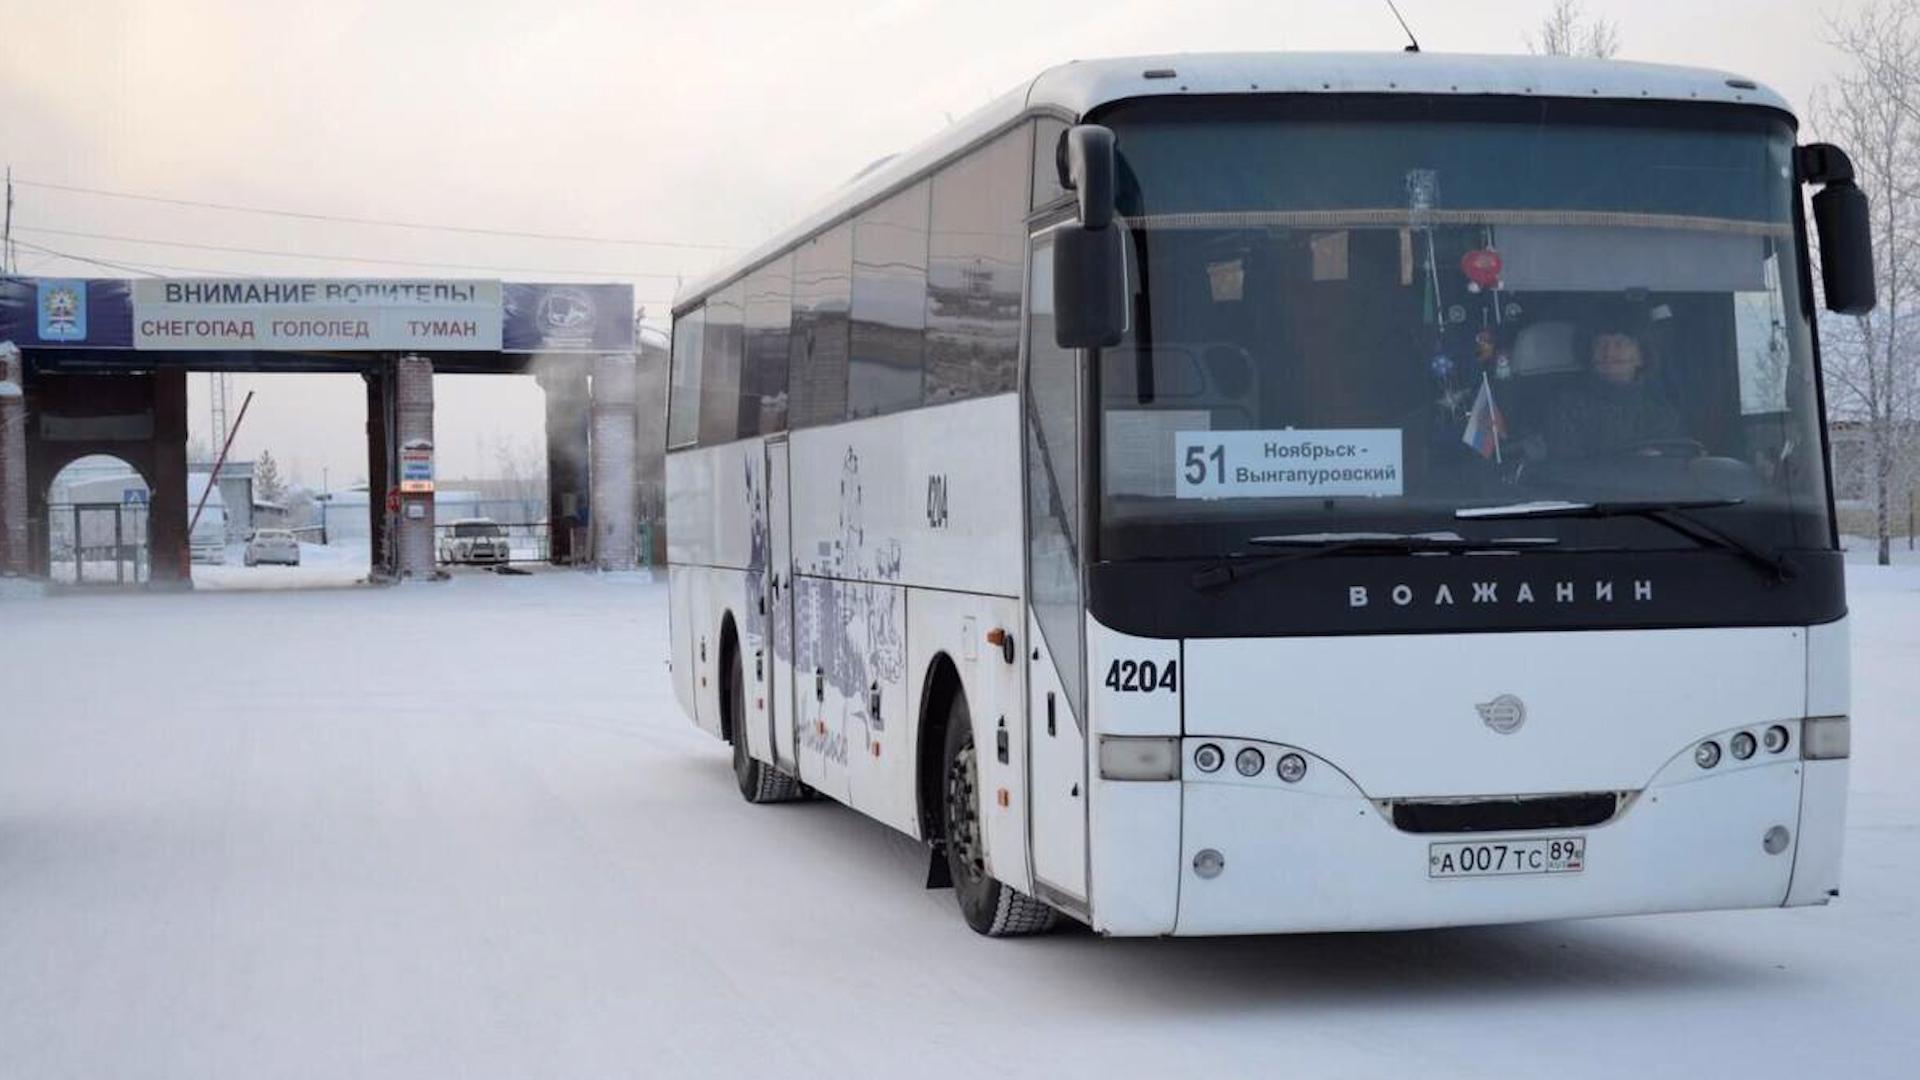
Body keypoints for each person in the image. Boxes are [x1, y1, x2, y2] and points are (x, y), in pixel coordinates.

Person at [1545, 329, 1683, 458]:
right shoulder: (1568, 404)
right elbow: (1565, 464)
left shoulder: (1660, 407)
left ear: (1641, 356)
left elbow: (1674, 460)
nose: (1608, 353)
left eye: (1620, 344)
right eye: (1600, 344)